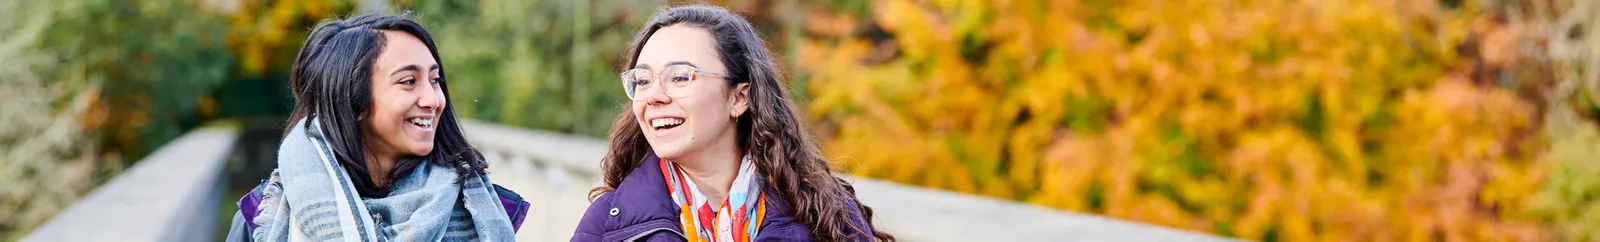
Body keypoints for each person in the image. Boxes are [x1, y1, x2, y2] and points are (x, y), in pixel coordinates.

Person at [571, 4, 894, 242]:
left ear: (739, 97)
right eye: (642, 80)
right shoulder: (608, 223)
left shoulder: (824, 213)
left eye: (679, 76)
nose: (654, 96)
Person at [225, 13, 528, 241]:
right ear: (352, 100)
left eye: (435, 80)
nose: (433, 99)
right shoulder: (264, 217)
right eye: (409, 81)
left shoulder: (481, 211)